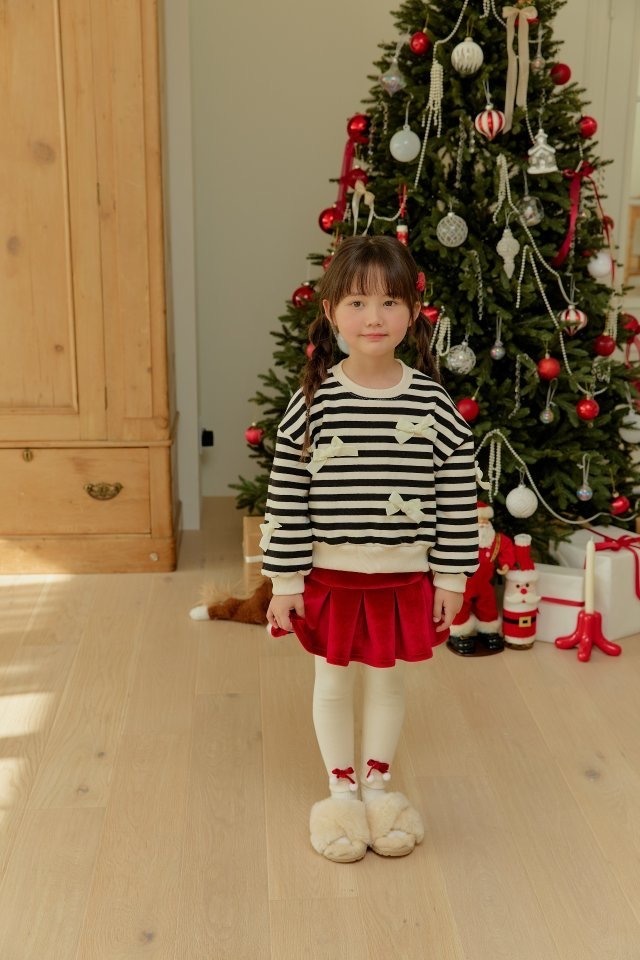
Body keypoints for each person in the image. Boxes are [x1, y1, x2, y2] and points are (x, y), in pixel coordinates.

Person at [261, 236, 479, 863]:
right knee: (331, 683)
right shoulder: (313, 403)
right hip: (329, 578)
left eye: (390, 302)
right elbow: (286, 498)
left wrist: (452, 577)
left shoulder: (432, 403)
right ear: (331, 312)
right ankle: (341, 793)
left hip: (403, 579)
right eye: (357, 302)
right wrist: (285, 582)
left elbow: (455, 494)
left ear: (413, 312)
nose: (374, 317)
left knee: (387, 682)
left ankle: (379, 787)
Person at [447, 501, 516, 656]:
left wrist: (506, 563)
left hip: (485, 583)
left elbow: (507, 547)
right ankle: (458, 633)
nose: (483, 523)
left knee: (488, 605)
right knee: (460, 606)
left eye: (485, 519)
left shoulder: (495, 539)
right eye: (479, 519)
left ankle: (488, 631)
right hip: (464, 583)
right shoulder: (461, 537)